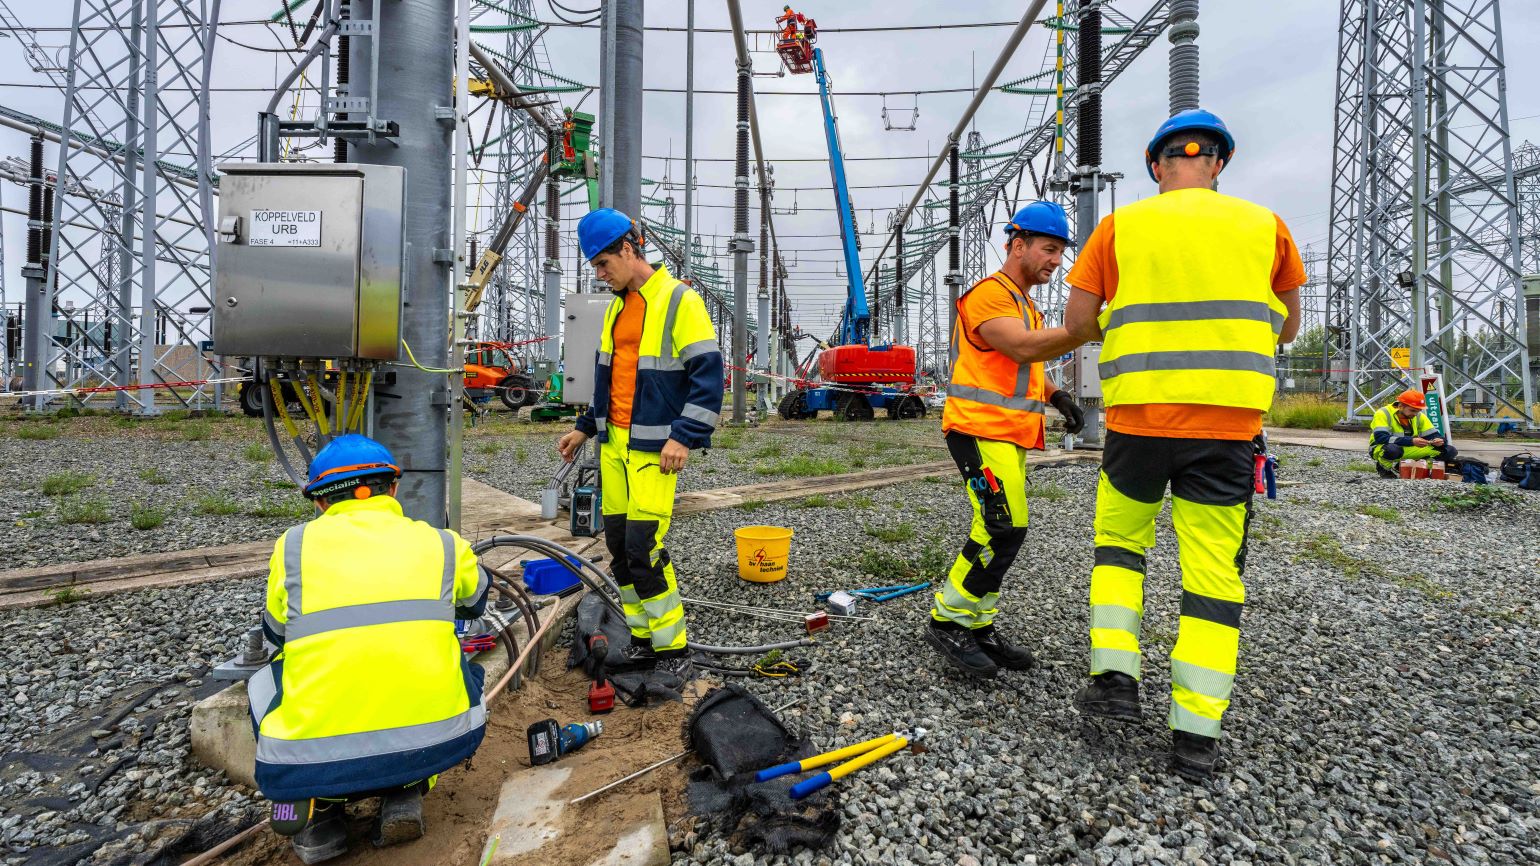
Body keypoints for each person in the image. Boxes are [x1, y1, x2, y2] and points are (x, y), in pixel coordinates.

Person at [1062, 109, 1304, 781]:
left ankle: (1115, 680)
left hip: (1137, 425)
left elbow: (1079, 321)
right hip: (1226, 432)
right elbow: (1287, 329)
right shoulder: (1265, 226)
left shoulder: (1120, 228)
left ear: (1155, 165)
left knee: (1119, 547)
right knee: (1211, 577)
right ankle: (1195, 737)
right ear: (1217, 163)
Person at [249, 434, 490, 864]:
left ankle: (318, 810)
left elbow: (276, 632)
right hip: (438, 738)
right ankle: (405, 790)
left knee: (263, 681)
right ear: (393, 488)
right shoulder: (445, 544)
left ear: (319, 501)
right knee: (459, 663)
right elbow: (475, 600)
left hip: (314, 752)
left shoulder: (293, 547)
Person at [558, 208, 723, 680]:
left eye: (603, 264)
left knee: (643, 549)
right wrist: (585, 427)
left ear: (628, 250)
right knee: (617, 546)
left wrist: (684, 436)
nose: (600, 273)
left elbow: (709, 378)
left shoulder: (679, 300)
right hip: (615, 448)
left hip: (654, 450)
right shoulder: (615, 306)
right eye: (595, 267)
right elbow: (608, 381)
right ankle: (644, 638)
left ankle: (674, 648)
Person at [925, 201, 1086, 678]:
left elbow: (1027, 363)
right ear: (1018, 246)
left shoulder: (1025, 303)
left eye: (1059, 252)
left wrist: (1058, 398)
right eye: (1049, 249)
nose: (1056, 261)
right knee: (1005, 526)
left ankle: (977, 623)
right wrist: (1084, 327)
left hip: (1007, 435)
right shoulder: (990, 296)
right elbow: (1019, 346)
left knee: (995, 528)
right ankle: (948, 619)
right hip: (978, 430)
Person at [1369, 389, 1455, 476]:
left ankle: (1409, 467)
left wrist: (1440, 441)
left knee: (1449, 450)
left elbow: (1433, 435)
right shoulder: (1383, 413)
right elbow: (1381, 438)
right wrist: (1411, 441)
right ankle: (1384, 468)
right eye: (1412, 410)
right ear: (1400, 406)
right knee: (1392, 449)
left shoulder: (1418, 416)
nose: (1415, 414)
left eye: (1418, 411)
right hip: (1380, 447)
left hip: (1408, 447)